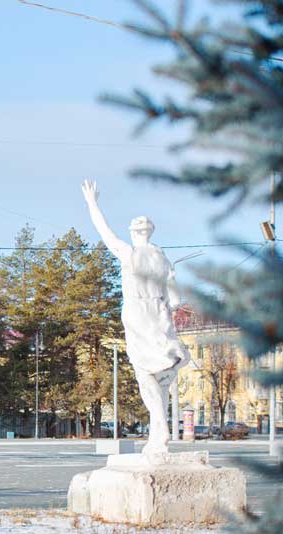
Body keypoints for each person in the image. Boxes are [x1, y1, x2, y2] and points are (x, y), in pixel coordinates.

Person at [82, 180, 190, 455]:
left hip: (138, 315)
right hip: (160, 314)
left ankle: (161, 428)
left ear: (133, 232)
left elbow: (104, 231)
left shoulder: (129, 253)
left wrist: (92, 203)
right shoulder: (162, 257)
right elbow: (176, 299)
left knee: (144, 373)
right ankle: (157, 435)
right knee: (161, 376)